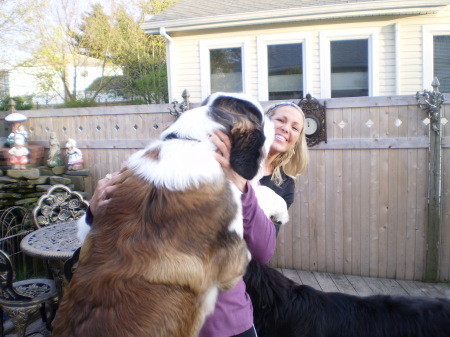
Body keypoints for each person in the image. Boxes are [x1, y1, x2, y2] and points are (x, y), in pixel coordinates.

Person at [87, 101, 308, 337]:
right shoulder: (215, 150)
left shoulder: (283, 185)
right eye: (281, 120)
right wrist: (96, 211)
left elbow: (263, 248)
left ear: (297, 140)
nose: (287, 128)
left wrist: (241, 183)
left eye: (295, 127)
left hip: (234, 289)